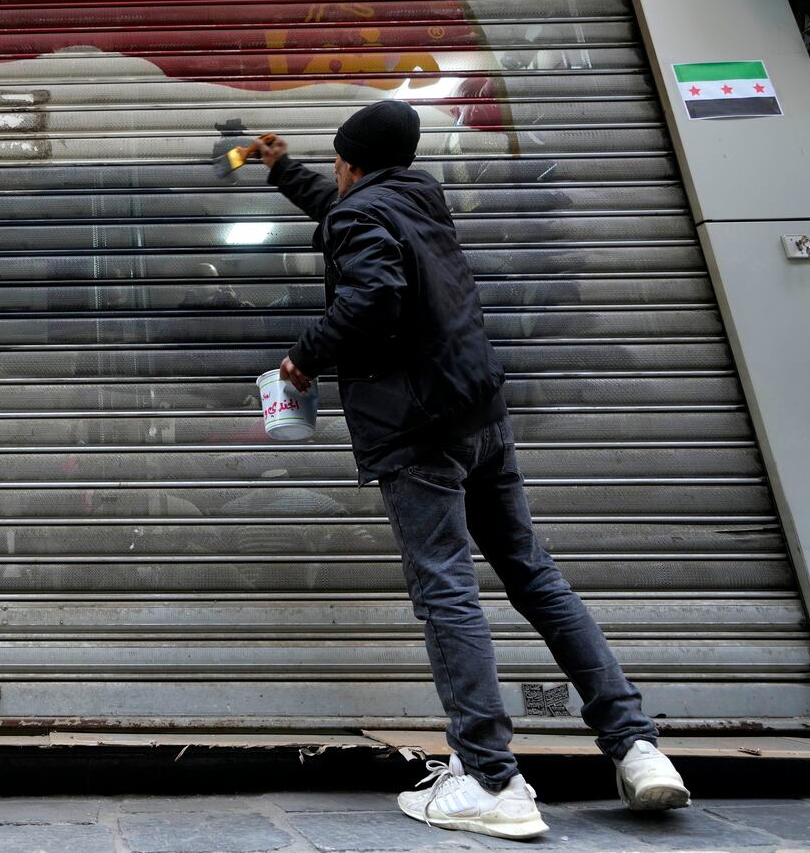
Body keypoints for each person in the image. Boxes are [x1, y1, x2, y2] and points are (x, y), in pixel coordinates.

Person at [258, 101, 691, 841]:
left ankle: (490, 778)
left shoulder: (361, 216)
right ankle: (636, 744)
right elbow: (352, 215)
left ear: (352, 162)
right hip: (481, 415)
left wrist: (302, 357)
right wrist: (282, 171)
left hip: (420, 429)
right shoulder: (419, 197)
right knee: (534, 574)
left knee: (446, 588)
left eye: (335, 162)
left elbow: (373, 292)